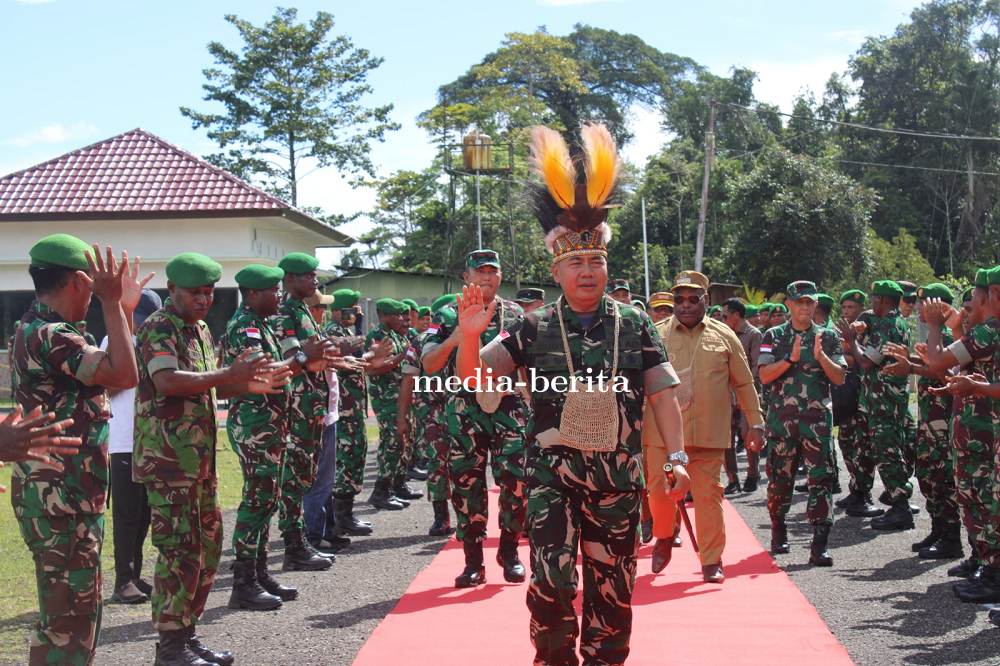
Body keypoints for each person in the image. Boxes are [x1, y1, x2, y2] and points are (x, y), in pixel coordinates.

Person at [455, 121, 688, 665]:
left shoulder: (634, 325)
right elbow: (475, 381)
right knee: (553, 584)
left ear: (607, 266)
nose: (588, 270)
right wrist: (470, 337)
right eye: (576, 262)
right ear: (557, 270)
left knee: (614, 591)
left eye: (597, 261)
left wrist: (676, 459)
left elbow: (662, 397)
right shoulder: (533, 327)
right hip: (550, 480)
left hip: (617, 482)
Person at [134, 252, 286, 665]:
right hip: (167, 463)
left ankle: (186, 634)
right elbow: (166, 381)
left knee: (207, 549)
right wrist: (229, 375)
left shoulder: (199, 329)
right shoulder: (158, 327)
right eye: (195, 292)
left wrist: (248, 386)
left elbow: (211, 388)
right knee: (179, 550)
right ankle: (170, 646)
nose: (204, 300)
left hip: (199, 461)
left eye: (209, 292)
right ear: (172, 291)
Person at [13, 235, 143, 666]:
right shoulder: (49, 334)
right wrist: (115, 306)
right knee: (67, 623)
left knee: (77, 616)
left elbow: (113, 369)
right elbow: (124, 375)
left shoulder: (46, 330)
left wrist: (120, 309)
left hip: (67, 495)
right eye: (93, 287)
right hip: (60, 499)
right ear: (75, 283)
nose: (95, 295)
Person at [223, 267, 333, 613]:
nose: (279, 296)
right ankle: (243, 582)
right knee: (256, 501)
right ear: (253, 294)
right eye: (273, 290)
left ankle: (259, 573)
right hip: (255, 425)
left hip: (273, 423)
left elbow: (289, 364)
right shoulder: (245, 328)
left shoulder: (265, 322)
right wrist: (304, 356)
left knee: (269, 499)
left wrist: (305, 357)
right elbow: (265, 373)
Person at [644, 270, 764, 582]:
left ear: (705, 301)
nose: (685, 304)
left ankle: (711, 560)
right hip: (666, 440)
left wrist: (757, 423)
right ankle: (665, 534)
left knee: (708, 498)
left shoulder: (725, 336)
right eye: (678, 299)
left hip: (709, 436)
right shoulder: (655, 334)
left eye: (692, 299)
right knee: (658, 493)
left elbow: (744, 382)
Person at [422, 249, 528, 587]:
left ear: (500, 277)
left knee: (516, 478)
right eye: (479, 271)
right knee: (467, 484)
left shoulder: (515, 314)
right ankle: (473, 561)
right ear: (465, 276)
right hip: (465, 407)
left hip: (508, 406)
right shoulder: (447, 314)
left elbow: (529, 362)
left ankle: (509, 550)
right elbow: (428, 364)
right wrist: (455, 338)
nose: (486, 277)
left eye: (492, 272)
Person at [924, 268, 1000, 602]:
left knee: (985, 501)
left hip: (984, 432)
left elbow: (938, 360)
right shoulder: (985, 331)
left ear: (991, 295)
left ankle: (992, 573)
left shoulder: (990, 331)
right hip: (977, 430)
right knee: (978, 499)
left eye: (972, 300)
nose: (968, 306)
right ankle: (985, 564)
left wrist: (935, 325)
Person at [758, 281, 846, 566]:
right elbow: (764, 375)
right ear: (789, 305)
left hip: (817, 424)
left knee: (821, 480)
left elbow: (840, 378)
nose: (805, 307)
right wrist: (790, 359)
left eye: (809, 302)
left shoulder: (828, 337)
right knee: (780, 481)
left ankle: (819, 543)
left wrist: (821, 357)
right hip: (783, 424)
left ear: (815, 305)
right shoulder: (773, 335)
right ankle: (778, 529)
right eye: (799, 302)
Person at [883, 283, 962, 559]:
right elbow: (931, 363)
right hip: (929, 419)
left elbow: (945, 373)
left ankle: (952, 537)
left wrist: (911, 366)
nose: (918, 309)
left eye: (924, 304)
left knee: (943, 480)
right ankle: (938, 529)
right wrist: (911, 358)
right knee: (928, 479)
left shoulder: (953, 335)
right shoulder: (932, 334)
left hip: (944, 421)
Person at [270, 253, 337, 571]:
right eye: (307, 276)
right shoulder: (284, 313)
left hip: (312, 407)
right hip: (296, 408)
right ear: (289, 280)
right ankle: (293, 547)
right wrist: (316, 357)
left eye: (314, 275)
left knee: (304, 479)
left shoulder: (301, 311)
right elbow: (298, 358)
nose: (314, 281)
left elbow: (316, 356)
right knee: (294, 482)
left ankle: (300, 545)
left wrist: (327, 355)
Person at [837, 280, 914, 531]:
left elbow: (867, 362)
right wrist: (859, 324)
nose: (870, 303)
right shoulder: (881, 319)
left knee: (888, 453)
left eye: (873, 299)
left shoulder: (891, 327)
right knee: (864, 449)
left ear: (881, 299)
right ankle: (859, 495)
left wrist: (852, 338)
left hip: (886, 404)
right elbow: (867, 319)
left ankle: (900, 507)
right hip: (872, 402)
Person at [104, 288, 162, 605]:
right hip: (125, 441)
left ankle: (136, 576)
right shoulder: (112, 341)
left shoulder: (157, 341)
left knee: (145, 516)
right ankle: (122, 581)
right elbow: (110, 388)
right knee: (127, 515)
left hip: (151, 442)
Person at [399, 294, 458, 536]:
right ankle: (441, 516)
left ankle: (468, 515)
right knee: (437, 464)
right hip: (433, 411)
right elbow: (409, 379)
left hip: (464, 409)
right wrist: (401, 417)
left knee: (465, 465)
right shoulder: (420, 342)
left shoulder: (468, 338)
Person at [302, 290, 354, 554]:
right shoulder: (307, 337)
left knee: (326, 480)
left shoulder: (317, 334)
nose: (322, 313)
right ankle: (313, 537)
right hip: (316, 415)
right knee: (317, 481)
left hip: (328, 412)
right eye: (320, 308)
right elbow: (314, 363)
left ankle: (326, 531)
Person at [328, 289, 378, 532]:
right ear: (336, 311)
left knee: (355, 455)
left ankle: (345, 514)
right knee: (346, 459)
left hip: (353, 408)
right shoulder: (334, 333)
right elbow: (357, 356)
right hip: (343, 410)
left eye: (357, 308)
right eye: (351, 308)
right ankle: (341, 517)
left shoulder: (347, 331)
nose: (356, 312)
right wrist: (359, 329)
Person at [366, 298, 421, 509]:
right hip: (386, 398)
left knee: (402, 441)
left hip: (399, 397)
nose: (401, 319)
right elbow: (372, 370)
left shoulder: (395, 336)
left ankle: (396, 485)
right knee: (391, 442)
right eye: (396, 315)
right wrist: (400, 357)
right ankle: (380, 492)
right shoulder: (378, 337)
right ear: (383, 316)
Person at [833, 290, 877, 516]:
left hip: (865, 397)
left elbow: (861, 360)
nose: (847, 312)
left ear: (862, 309)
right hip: (848, 397)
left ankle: (864, 493)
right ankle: (855, 488)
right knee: (846, 443)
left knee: (862, 448)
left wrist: (846, 352)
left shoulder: (868, 328)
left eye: (852, 307)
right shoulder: (840, 331)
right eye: (844, 308)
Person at [720, 297, 763, 493]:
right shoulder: (724, 334)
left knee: (748, 435)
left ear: (736, 315)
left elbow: (757, 365)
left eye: (725, 315)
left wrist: (742, 390)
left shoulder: (754, 335)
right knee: (726, 438)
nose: (722, 319)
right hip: (726, 394)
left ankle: (753, 474)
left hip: (747, 392)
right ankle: (732, 479)